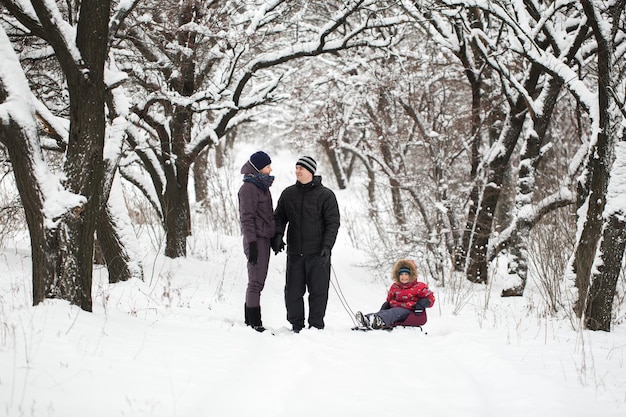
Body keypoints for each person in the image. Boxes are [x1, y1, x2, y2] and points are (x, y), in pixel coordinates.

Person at [272, 156, 340, 332]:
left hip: (318, 254)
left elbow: (333, 223)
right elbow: (279, 216)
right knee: (293, 292)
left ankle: (316, 326)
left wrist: (327, 246)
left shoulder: (326, 195)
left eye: (301, 168)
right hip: (295, 253)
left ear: (310, 171)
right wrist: (278, 235)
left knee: (318, 292)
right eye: (296, 168)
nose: (297, 171)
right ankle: (297, 325)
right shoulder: (288, 193)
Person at [238, 151, 275, 332]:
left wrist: (274, 235)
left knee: (258, 281)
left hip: (264, 239)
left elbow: (267, 215)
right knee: (255, 282)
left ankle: (250, 321)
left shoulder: (262, 187)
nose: (270, 169)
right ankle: (254, 323)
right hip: (255, 241)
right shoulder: (248, 189)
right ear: (259, 168)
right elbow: (247, 218)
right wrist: (252, 243)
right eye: (268, 166)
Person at [355, 259, 435, 329]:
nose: (404, 277)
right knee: (385, 312)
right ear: (398, 275)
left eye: (406, 274)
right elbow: (389, 299)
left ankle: (379, 321)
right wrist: (386, 304)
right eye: (401, 274)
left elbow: (430, 297)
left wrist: (424, 302)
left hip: (410, 311)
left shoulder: (419, 286)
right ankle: (367, 319)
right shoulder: (395, 287)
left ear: (411, 275)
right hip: (394, 309)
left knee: (394, 312)